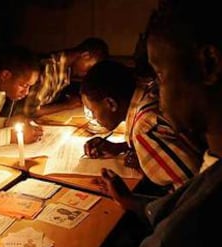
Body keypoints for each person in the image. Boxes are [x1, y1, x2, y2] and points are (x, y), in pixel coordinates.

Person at [0, 0, 221, 247]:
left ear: (209, 64)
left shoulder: (187, 236)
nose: (154, 92)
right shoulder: (205, 183)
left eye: (159, 76)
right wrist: (135, 201)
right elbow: (186, 195)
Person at [81, 59, 203, 194]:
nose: (93, 117)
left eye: (92, 111)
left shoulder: (144, 128)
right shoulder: (149, 95)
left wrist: (126, 199)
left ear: (111, 104)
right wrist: (121, 147)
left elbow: (194, 191)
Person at [22, 37, 109, 118]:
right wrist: (67, 105)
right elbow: (30, 111)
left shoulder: (67, 70)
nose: (87, 74)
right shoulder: (50, 68)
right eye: (90, 68)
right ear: (85, 55)